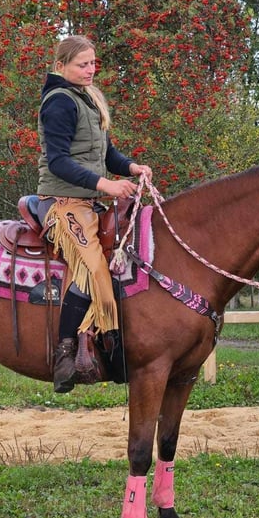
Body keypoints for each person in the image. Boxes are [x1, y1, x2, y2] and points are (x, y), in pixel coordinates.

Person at [36, 35, 152, 393]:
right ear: (61, 66)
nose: (90, 70)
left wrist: (130, 167)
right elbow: (58, 162)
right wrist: (107, 186)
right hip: (62, 202)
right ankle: (65, 353)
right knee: (93, 267)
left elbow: (105, 153)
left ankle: (110, 342)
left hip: (88, 201)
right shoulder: (58, 102)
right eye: (82, 64)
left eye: (93, 63)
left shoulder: (89, 98)